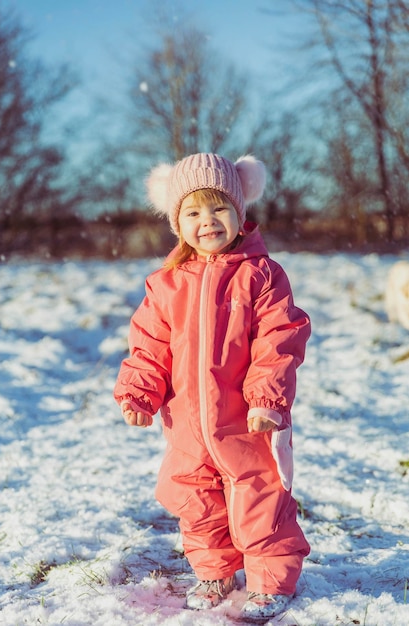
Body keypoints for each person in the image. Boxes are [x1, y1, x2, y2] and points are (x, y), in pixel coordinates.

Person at [114, 153, 311, 621]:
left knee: (260, 496)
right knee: (193, 497)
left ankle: (269, 579)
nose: (207, 221)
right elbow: (148, 346)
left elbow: (279, 340)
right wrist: (139, 393)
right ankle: (215, 570)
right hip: (186, 422)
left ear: (240, 214)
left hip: (248, 419)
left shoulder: (262, 275)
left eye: (219, 208)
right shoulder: (165, 285)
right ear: (176, 222)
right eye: (193, 211)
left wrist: (267, 399)